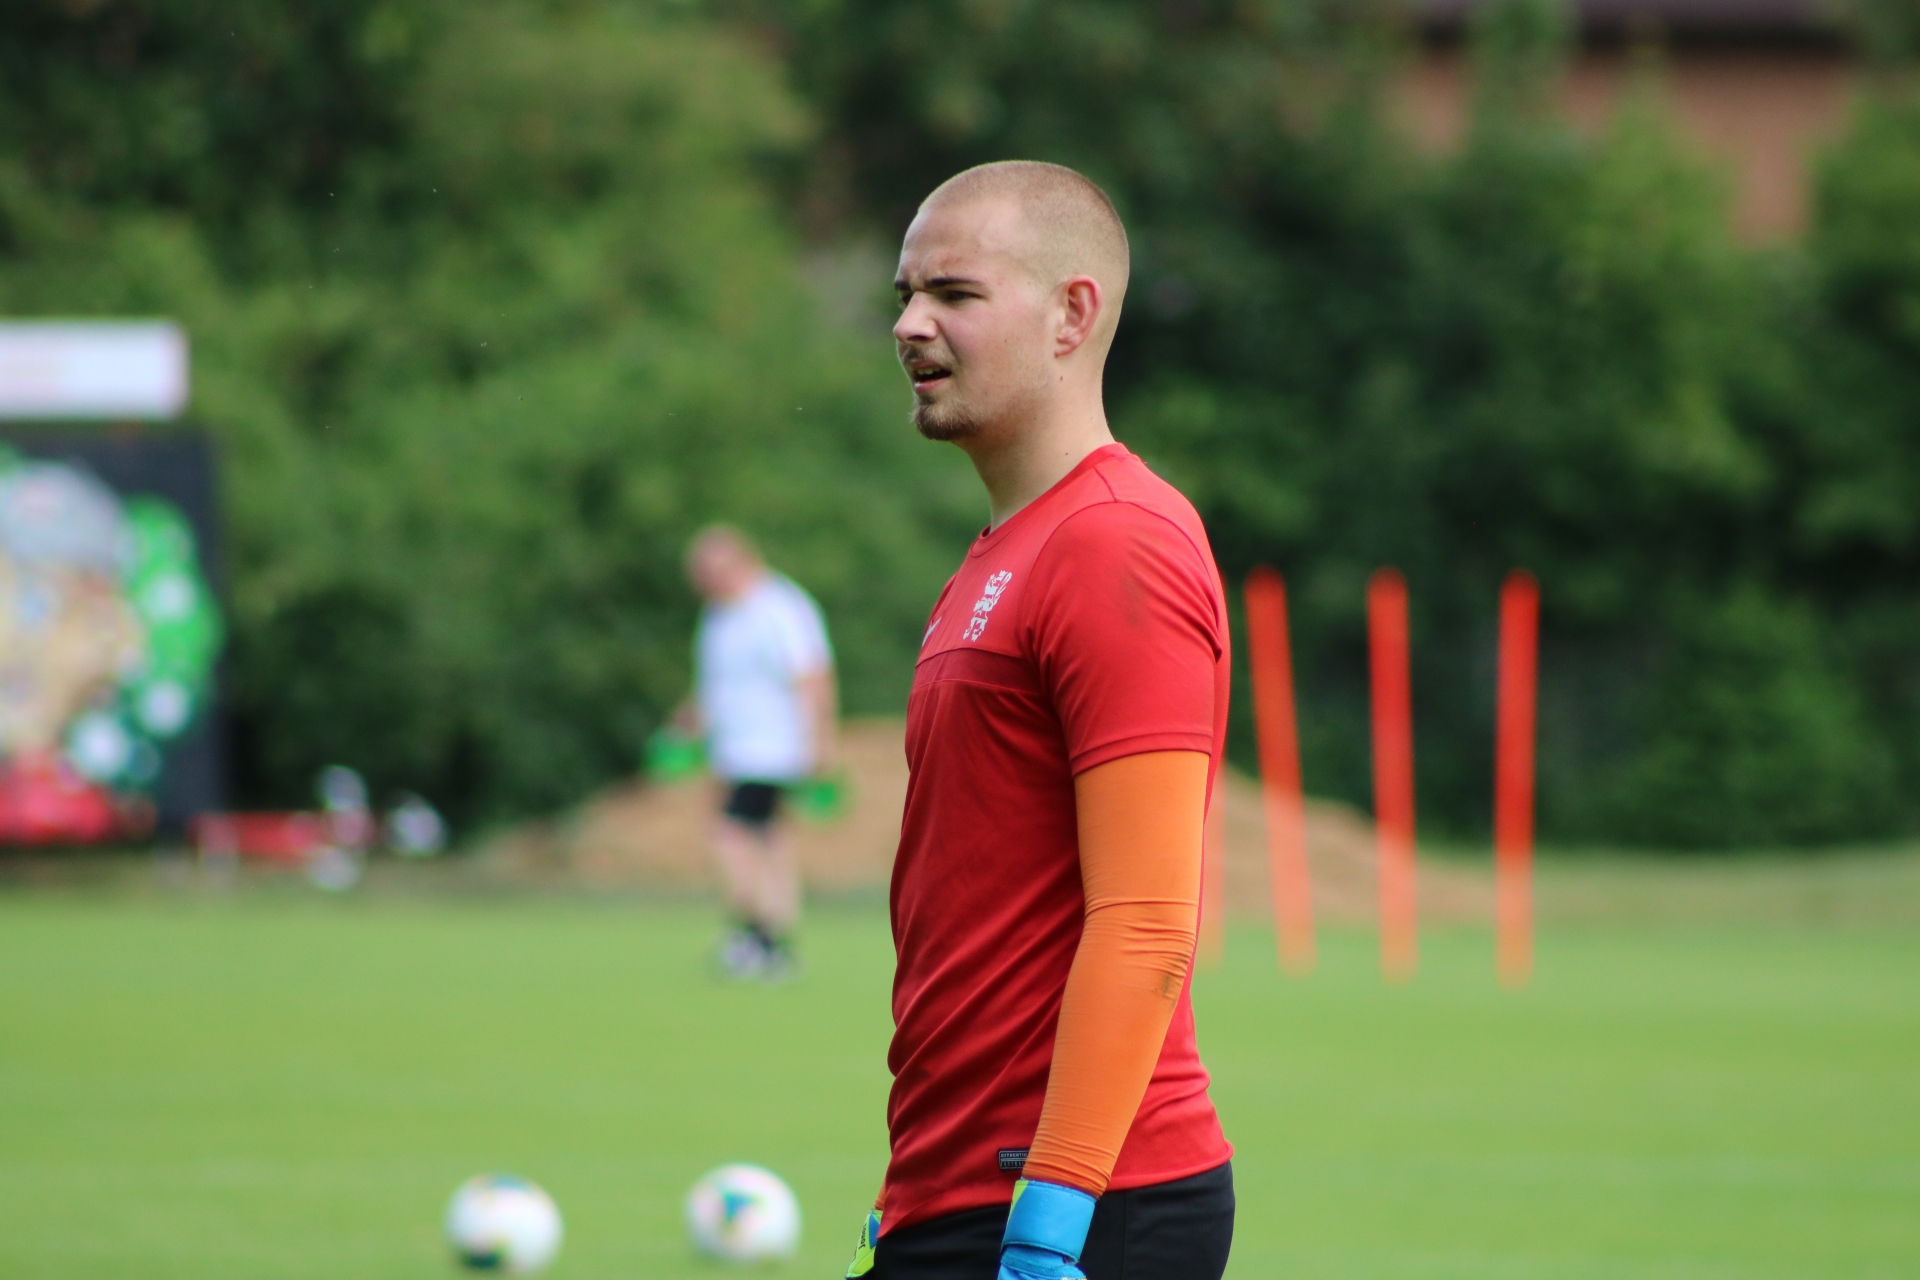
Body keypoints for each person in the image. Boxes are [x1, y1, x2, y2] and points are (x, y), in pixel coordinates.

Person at [846, 161, 1233, 1280]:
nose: (910, 324)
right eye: (907, 294)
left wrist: (1049, 1220)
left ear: (1073, 314)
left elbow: (1147, 923)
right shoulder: (1008, 548)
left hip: (1079, 1204)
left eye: (954, 294)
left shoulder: (1117, 542)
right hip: (964, 1194)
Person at [678, 524, 836, 979]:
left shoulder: (780, 607)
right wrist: (687, 725)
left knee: (730, 836)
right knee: (769, 842)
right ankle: (771, 940)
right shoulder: (718, 615)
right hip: (732, 751)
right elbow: (716, 686)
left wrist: (821, 743)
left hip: (772, 751)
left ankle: (756, 935)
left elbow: (812, 676)